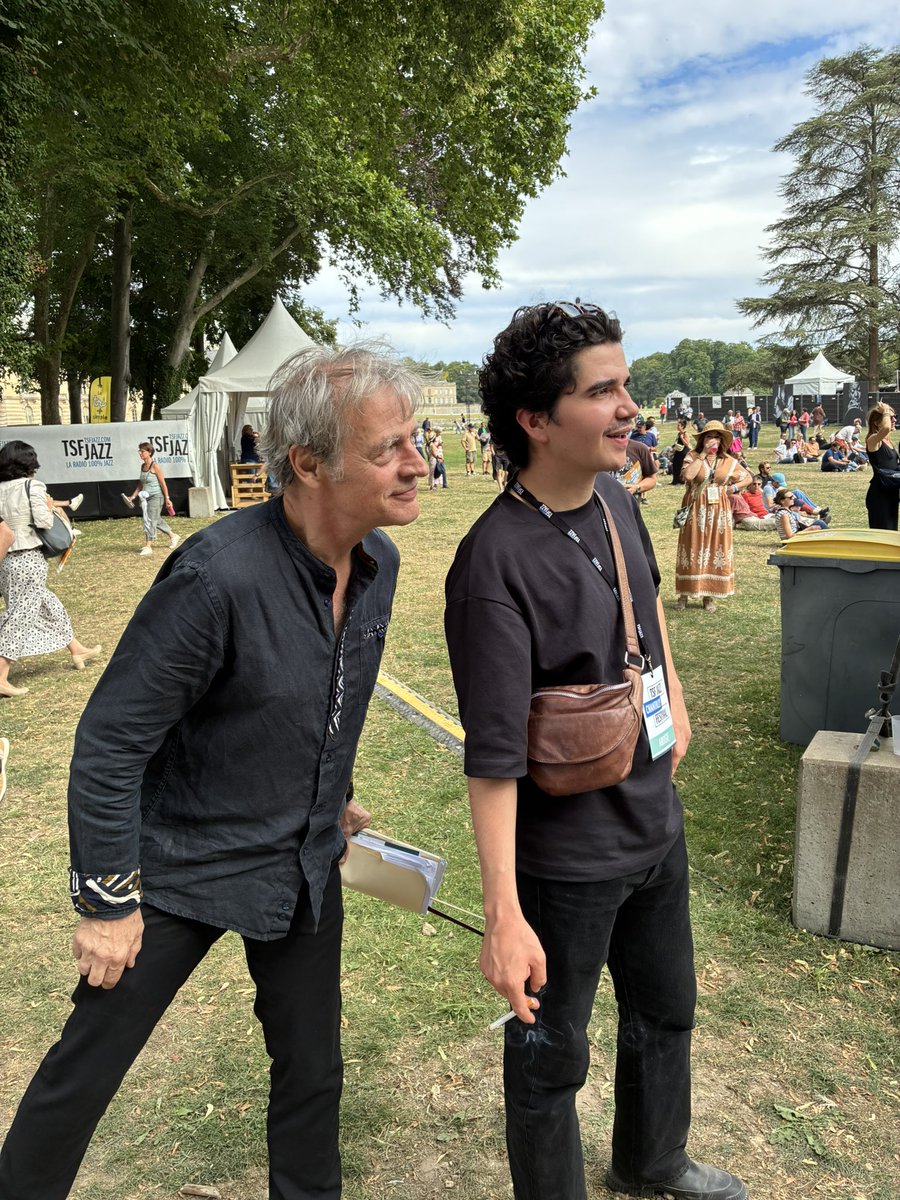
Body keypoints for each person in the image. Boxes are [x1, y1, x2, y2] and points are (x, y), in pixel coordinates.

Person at [0, 346, 428, 1199]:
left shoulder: (377, 565)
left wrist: (333, 796)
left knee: (312, 1071)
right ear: (308, 463)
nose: (417, 463)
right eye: (389, 449)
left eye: (413, 441)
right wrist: (107, 903)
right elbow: (110, 743)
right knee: (85, 1071)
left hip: (300, 862)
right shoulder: (214, 576)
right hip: (181, 865)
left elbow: (324, 695)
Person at [444, 301, 747, 1200]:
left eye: (627, 385)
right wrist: (504, 914)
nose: (629, 408)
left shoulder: (616, 499)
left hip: (654, 825)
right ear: (536, 420)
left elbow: (646, 610)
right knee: (551, 1056)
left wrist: (674, 701)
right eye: (603, 391)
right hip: (566, 864)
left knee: (667, 1010)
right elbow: (493, 757)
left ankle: (653, 1162)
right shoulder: (492, 563)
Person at [0, 441, 101, 698]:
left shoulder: (0, 488)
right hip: (28, 558)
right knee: (20, 615)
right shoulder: (32, 486)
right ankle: (1, 674)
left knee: (49, 606)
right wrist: (49, 507)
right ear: (28, 462)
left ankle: (76, 649)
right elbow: (44, 522)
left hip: (6, 560)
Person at [675, 421, 751, 612]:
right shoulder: (692, 456)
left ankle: (709, 596)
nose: (713, 440)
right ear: (702, 439)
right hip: (695, 508)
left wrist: (733, 488)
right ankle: (684, 594)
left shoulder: (728, 461)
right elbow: (687, 477)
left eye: (716, 437)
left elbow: (748, 477)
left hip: (719, 510)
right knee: (692, 547)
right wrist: (702, 455)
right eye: (709, 436)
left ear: (722, 440)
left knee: (715, 546)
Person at [124, 442, 181, 556]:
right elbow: (141, 484)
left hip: (156, 497)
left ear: (149, 452)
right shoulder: (142, 466)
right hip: (145, 499)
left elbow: (163, 484)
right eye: (139, 451)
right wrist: (133, 496)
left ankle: (148, 546)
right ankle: (173, 536)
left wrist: (167, 499)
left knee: (150, 520)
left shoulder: (155, 466)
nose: (140, 453)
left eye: (142, 451)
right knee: (156, 519)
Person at [864, 401, 899, 531]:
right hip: (880, 495)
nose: (894, 420)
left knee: (891, 532)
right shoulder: (873, 440)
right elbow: (885, 429)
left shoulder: (889, 442)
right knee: (882, 532)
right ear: (876, 423)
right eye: (890, 417)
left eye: (894, 417)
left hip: (891, 493)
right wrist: (885, 411)